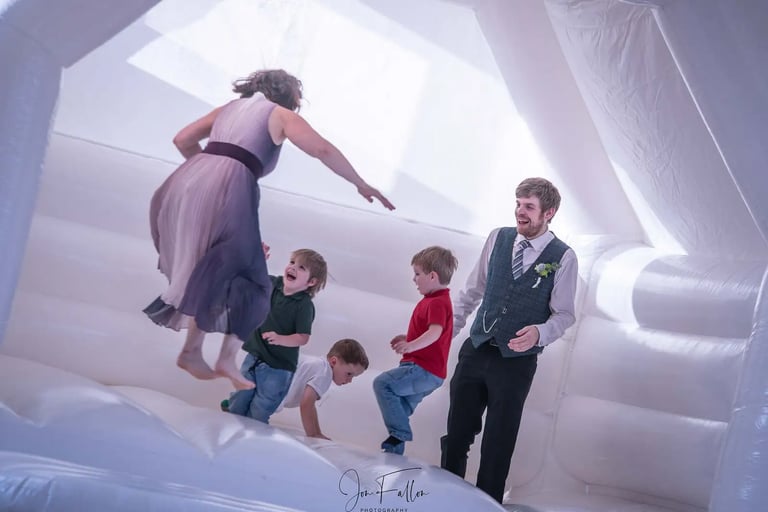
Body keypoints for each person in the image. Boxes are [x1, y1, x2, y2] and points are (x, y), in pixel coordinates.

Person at [144, 69, 395, 390]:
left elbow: (182, 139)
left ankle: (195, 351)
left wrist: (207, 171)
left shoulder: (229, 109)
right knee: (258, 285)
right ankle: (215, 357)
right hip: (228, 188)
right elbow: (322, 149)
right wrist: (360, 183)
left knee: (218, 265)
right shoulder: (280, 114)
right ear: (291, 97)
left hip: (185, 183)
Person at [440, 177, 578, 503]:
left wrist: (538, 333)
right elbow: (471, 291)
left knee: (498, 443)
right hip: (476, 348)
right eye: (518, 204)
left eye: (529, 207)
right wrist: (448, 334)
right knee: (457, 433)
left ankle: (486, 506)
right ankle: (443, 499)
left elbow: (565, 315)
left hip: (516, 362)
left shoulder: (564, 257)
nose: (520, 212)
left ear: (549, 213)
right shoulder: (498, 238)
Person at [225, 247, 327, 423]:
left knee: (261, 407)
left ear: (311, 282)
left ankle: (251, 436)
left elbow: (303, 337)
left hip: (278, 368)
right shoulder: (274, 284)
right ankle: (231, 424)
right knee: (239, 399)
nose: (293, 267)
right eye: (292, 262)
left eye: (302, 268)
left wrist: (282, 339)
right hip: (255, 356)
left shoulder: (303, 305)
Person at [373, 246, 458, 455]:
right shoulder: (432, 301)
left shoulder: (437, 302)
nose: (414, 279)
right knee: (401, 407)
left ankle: (400, 434)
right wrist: (408, 338)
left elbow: (435, 333)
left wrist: (411, 346)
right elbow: (429, 333)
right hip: (431, 373)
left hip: (422, 369)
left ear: (432, 276)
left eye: (417, 274)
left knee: (382, 384)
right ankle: (394, 450)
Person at [223, 338, 369, 439]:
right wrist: (313, 434)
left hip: (262, 361)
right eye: (349, 374)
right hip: (274, 379)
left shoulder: (317, 365)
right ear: (334, 361)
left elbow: (309, 404)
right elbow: (307, 403)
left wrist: (317, 431)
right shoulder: (324, 372)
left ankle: (233, 404)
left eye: (353, 377)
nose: (349, 380)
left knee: (248, 394)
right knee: (258, 415)